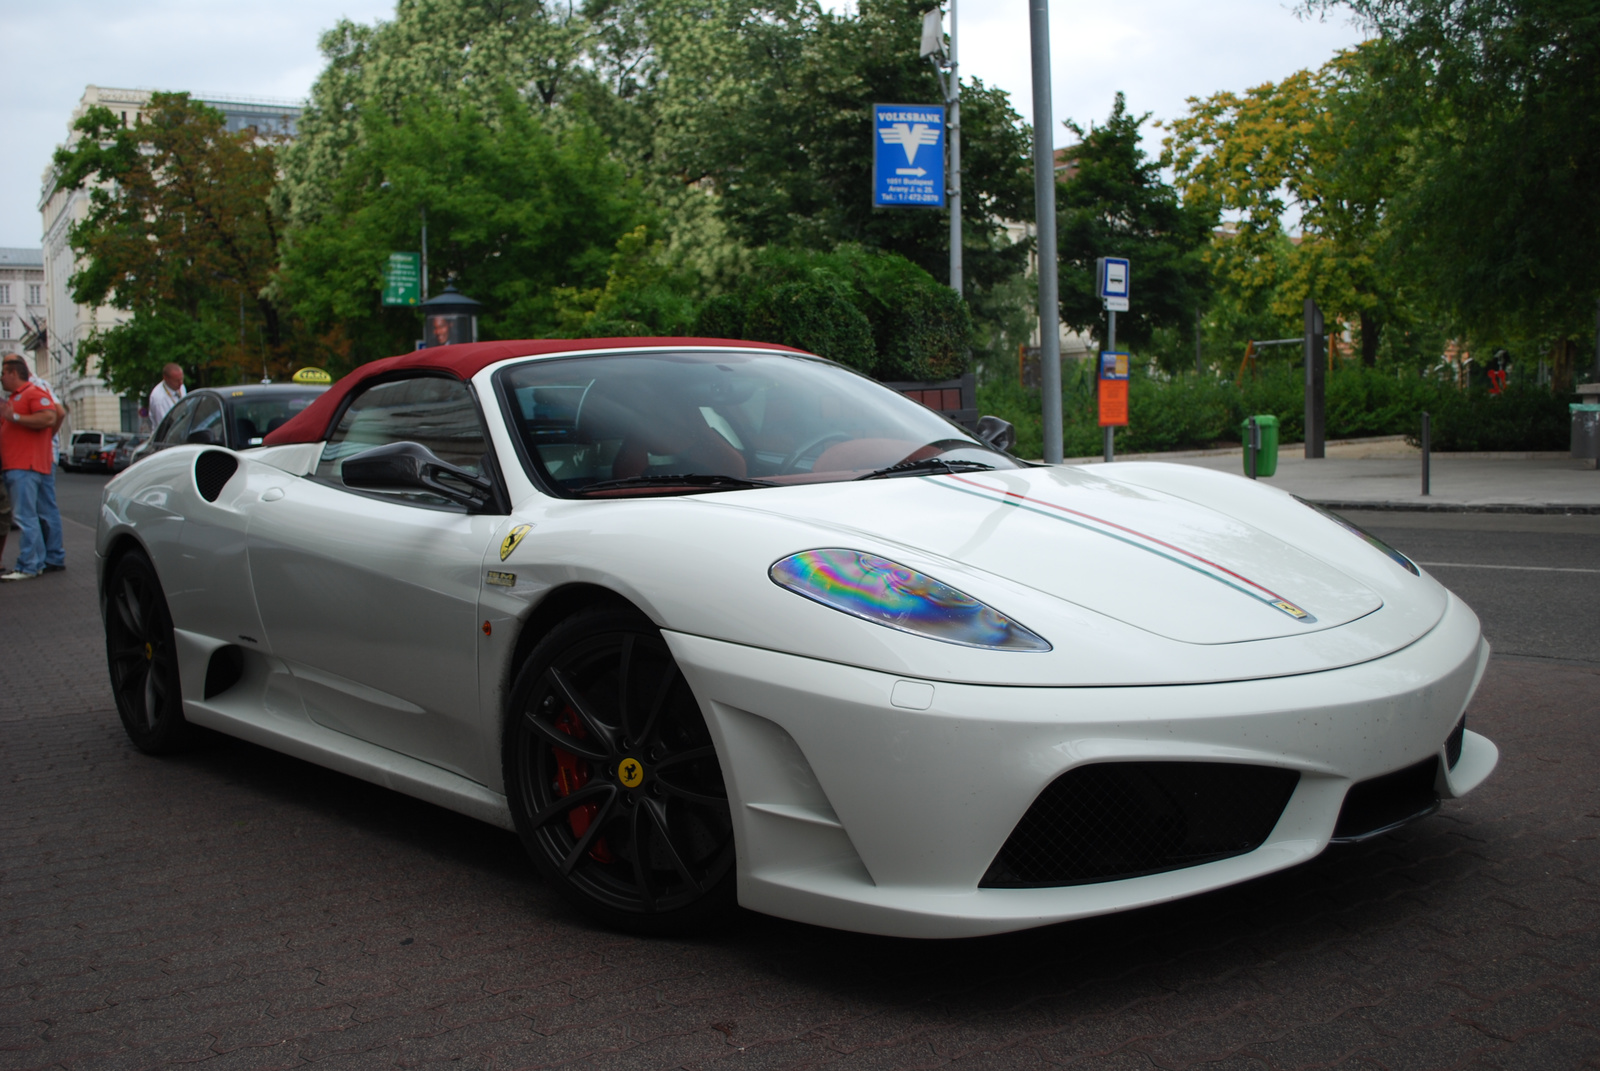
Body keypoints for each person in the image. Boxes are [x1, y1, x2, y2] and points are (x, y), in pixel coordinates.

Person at [1, 354, 66, 580]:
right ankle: (41, 560)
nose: (1, 378)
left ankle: (30, 564)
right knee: (36, 513)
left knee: (26, 516)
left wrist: (17, 418)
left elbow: (51, 416)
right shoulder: (16, 397)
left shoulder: (34, 391)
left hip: (25, 465)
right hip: (24, 464)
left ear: (13, 372)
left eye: (3, 372)